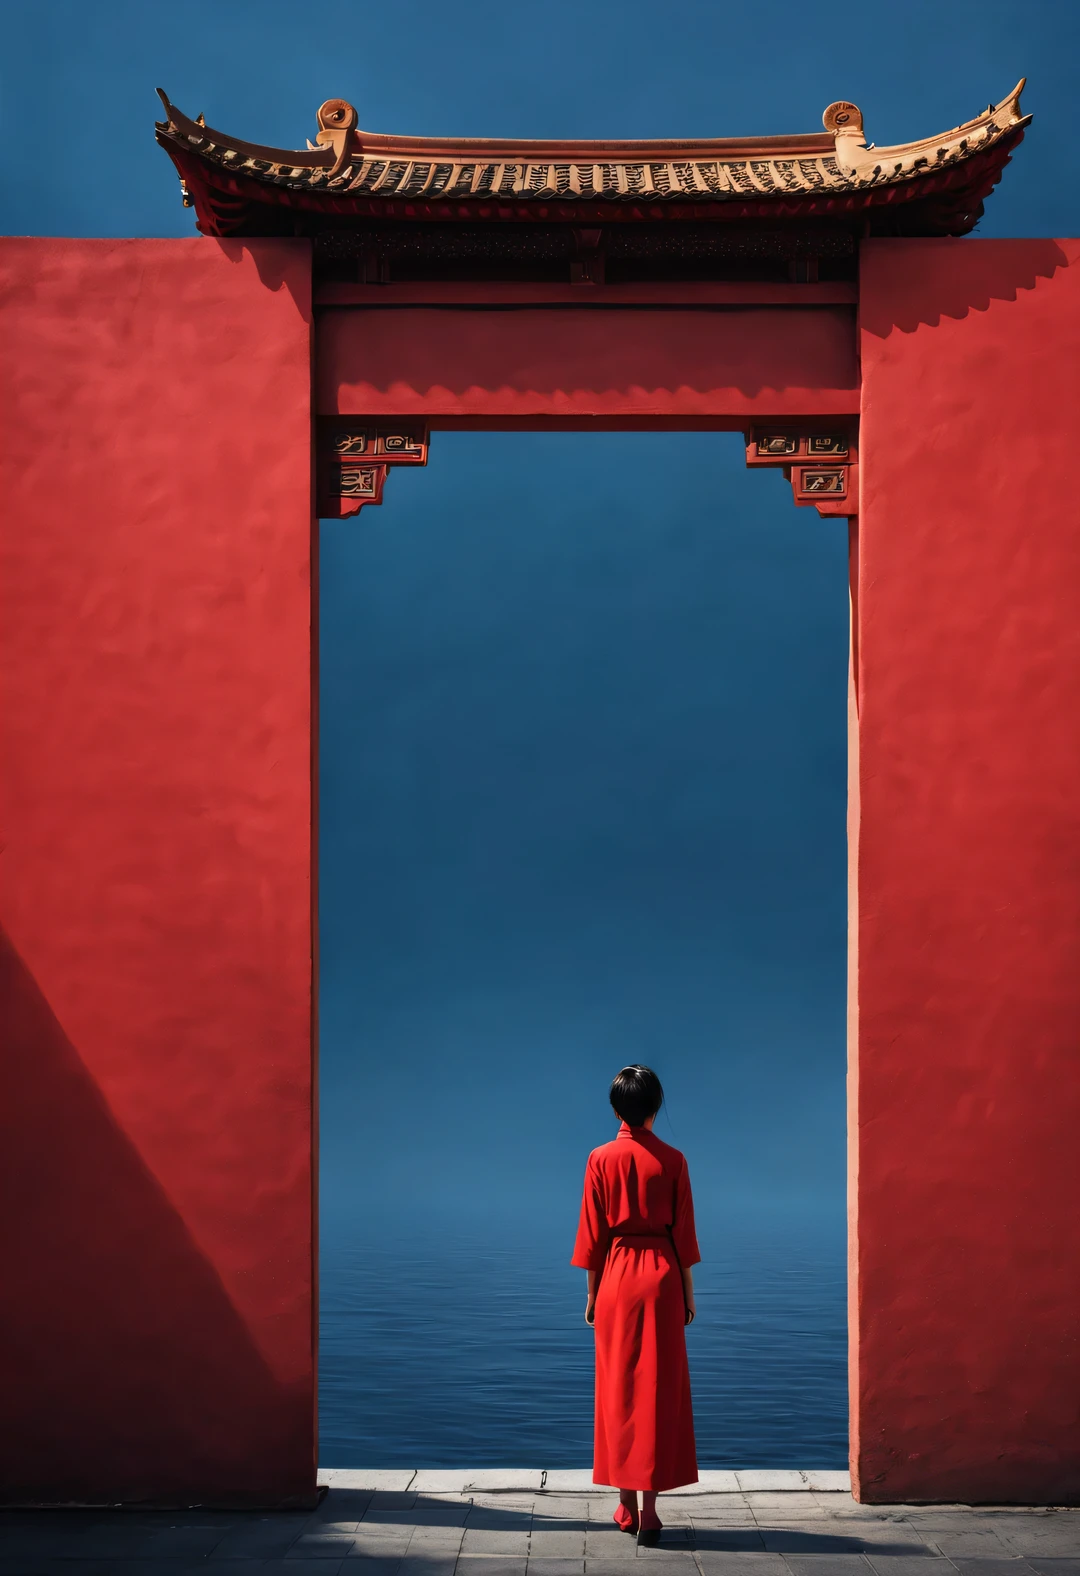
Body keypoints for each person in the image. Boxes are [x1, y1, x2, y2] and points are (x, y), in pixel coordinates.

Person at [571, 1065, 700, 1545]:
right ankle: (650, 1511)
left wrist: (591, 1294)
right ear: (656, 1106)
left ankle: (624, 1505)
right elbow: (683, 1236)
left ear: (614, 1109)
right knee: (658, 1393)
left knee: (619, 1391)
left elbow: (593, 1234)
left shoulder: (599, 1158)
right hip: (663, 1277)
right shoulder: (674, 1160)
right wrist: (688, 1296)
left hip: (618, 1277)